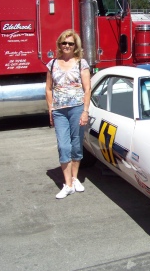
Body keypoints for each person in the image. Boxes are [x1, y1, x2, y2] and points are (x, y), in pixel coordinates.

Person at [46, 29, 91, 199]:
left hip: (77, 108)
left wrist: (85, 111)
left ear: (75, 46)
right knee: (63, 146)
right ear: (59, 44)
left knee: (76, 145)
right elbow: (48, 89)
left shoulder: (82, 63)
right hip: (59, 110)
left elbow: (87, 89)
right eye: (64, 43)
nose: (67, 46)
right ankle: (68, 185)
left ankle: (74, 178)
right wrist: (50, 109)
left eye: (70, 43)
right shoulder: (52, 64)